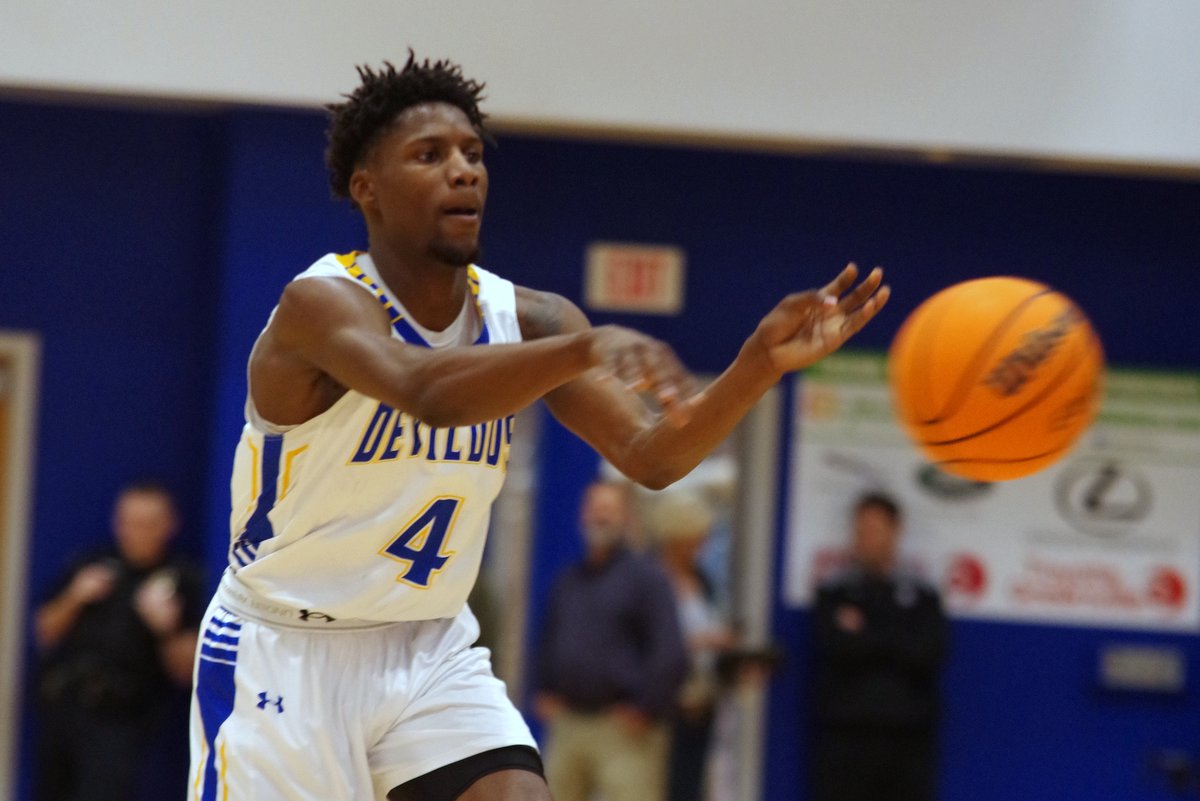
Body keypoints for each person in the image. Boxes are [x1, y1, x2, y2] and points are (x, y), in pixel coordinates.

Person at [188, 51, 889, 801]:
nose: (463, 171)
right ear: (368, 188)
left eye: (471, 153)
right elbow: (425, 390)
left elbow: (651, 456)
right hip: (286, 646)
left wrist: (757, 363)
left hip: (428, 644)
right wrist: (585, 348)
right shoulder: (320, 304)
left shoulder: (530, 318)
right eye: (429, 155)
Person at [34, 480, 203, 801]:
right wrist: (74, 598)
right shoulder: (92, 564)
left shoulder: (182, 579)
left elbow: (186, 671)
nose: (135, 533)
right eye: (128, 522)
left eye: (147, 524)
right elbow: (44, 632)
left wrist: (165, 627)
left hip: (122, 718)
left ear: (169, 525)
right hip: (64, 707)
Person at [533, 480, 688, 801]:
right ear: (582, 515)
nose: (601, 517)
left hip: (624, 728)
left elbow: (670, 652)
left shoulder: (647, 579)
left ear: (627, 518)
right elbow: (548, 636)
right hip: (569, 723)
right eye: (595, 509)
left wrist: (646, 708)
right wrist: (544, 688)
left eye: (610, 510)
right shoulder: (570, 579)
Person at [810, 492, 949, 801]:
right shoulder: (835, 593)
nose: (865, 539)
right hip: (847, 736)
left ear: (895, 531)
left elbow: (927, 652)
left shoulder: (923, 596)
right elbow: (838, 648)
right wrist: (896, 634)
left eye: (874, 530)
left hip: (908, 736)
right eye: (860, 530)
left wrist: (867, 631)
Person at [650, 490, 732, 801]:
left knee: (690, 789)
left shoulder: (703, 580)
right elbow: (645, 641)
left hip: (700, 705)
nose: (702, 545)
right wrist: (696, 642)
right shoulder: (649, 580)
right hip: (662, 707)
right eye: (695, 538)